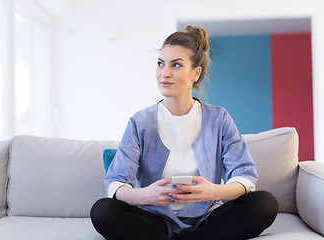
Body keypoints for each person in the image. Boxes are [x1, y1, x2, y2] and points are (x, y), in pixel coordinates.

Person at [90, 25, 278, 240]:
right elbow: (116, 182)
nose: (165, 73)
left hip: (208, 218)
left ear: (195, 73)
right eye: (160, 64)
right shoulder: (140, 122)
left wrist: (214, 192)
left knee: (265, 203)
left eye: (176, 65)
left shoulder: (219, 119)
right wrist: (146, 195)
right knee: (103, 210)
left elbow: (245, 176)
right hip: (155, 219)